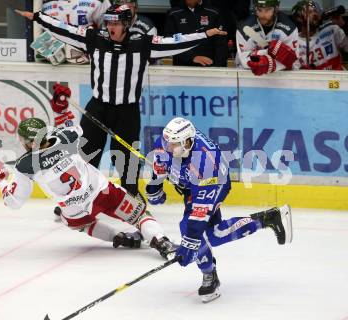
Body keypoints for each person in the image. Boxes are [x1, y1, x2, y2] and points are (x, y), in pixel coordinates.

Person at [16, 4, 227, 196]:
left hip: (127, 112)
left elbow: (175, 42)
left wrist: (206, 33)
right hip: (97, 108)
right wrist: (38, 17)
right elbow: (65, 29)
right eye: (108, 22)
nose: (111, 27)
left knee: (127, 158)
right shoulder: (94, 39)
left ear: (126, 24)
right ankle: (78, 195)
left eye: (116, 23)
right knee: (86, 154)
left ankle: (131, 195)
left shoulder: (142, 44)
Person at [0, 118, 178, 259]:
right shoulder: (66, 137)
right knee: (140, 214)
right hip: (102, 193)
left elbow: (14, 202)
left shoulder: (25, 165)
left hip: (75, 212)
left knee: (71, 220)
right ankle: (162, 242)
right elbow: (78, 128)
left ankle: (120, 238)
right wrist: (61, 112)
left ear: (28, 143)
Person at [145, 117, 293, 302]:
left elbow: (197, 218)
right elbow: (160, 164)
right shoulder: (167, 141)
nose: (167, 147)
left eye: (173, 144)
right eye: (167, 142)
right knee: (215, 233)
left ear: (187, 142)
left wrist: (189, 246)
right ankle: (269, 218)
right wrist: (155, 187)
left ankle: (210, 275)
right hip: (192, 184)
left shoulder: (207, 164)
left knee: (194, 232)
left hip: (213, 185)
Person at [236, 0, 299, 75]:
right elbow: (243, 60)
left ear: (276, 9)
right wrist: (266, 53)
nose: (263, 15)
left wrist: (272, 65)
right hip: (249, 75)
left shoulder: (289, 29)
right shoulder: (244, 29)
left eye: (267, 10)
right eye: (259, 10)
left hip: (280, 77)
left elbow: (292, 60)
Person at [41, 0, 111, 64]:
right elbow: (40, 36)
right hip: (54, 62)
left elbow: (107, 31)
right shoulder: (44, 6)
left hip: (87, 62)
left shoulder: (95, 3)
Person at [164, 0, 228, 67]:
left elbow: (221, 44)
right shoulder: (173, 13)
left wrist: (218, 67)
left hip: (210, 67)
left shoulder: (214, 12)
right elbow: (170, 41)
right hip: (182, 67)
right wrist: (192, 57)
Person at [292, 1, 348, 70]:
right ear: (299, 18)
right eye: (310, 12)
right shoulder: (294, 42)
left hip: (336, 78)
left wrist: (343, 24)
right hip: (315, 80)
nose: (315, 14)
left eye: (316, 11)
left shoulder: (331, 30)